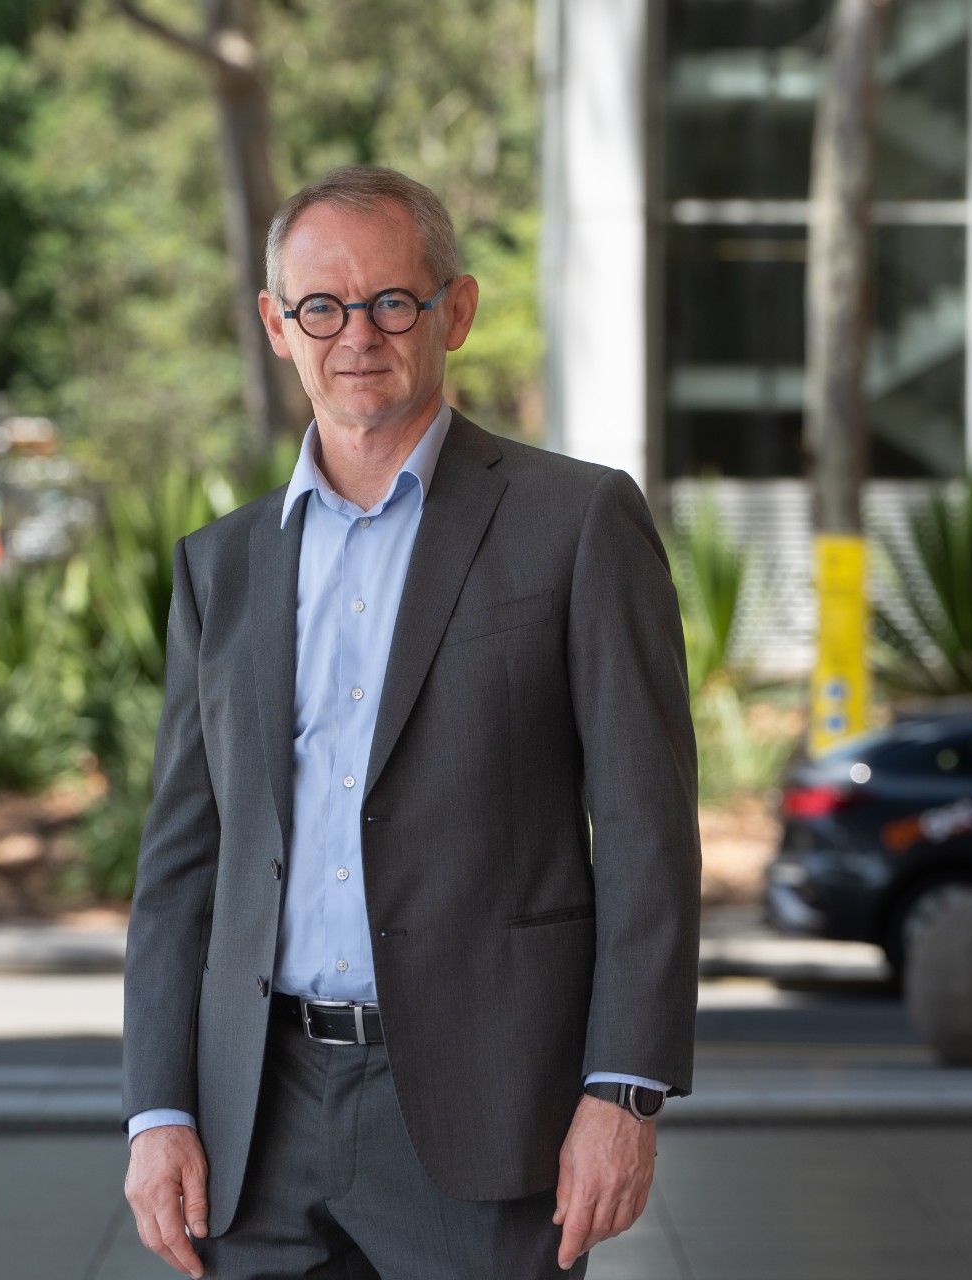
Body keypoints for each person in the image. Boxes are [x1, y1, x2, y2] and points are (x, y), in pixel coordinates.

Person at [121, 165, 700, 1279]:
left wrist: (623, 1089)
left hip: (487, 1108)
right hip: (259, 1115)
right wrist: (157, 1106)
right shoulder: (223, 565)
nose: (356, 334)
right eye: (321, 307)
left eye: (393, 300)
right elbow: (182, 866)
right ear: (277, 325)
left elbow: (645, 828)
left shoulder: (575, 523)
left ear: (456, 310)